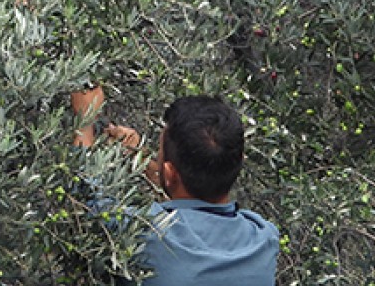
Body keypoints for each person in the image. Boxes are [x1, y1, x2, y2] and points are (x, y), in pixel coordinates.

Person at [71, 85, 279, 285]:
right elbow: (193, 208)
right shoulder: (264, 239)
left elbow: (85, 193)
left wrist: (85, 119)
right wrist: (142, 161)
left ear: (170, 173)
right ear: (240, 161)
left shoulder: (146, 233)